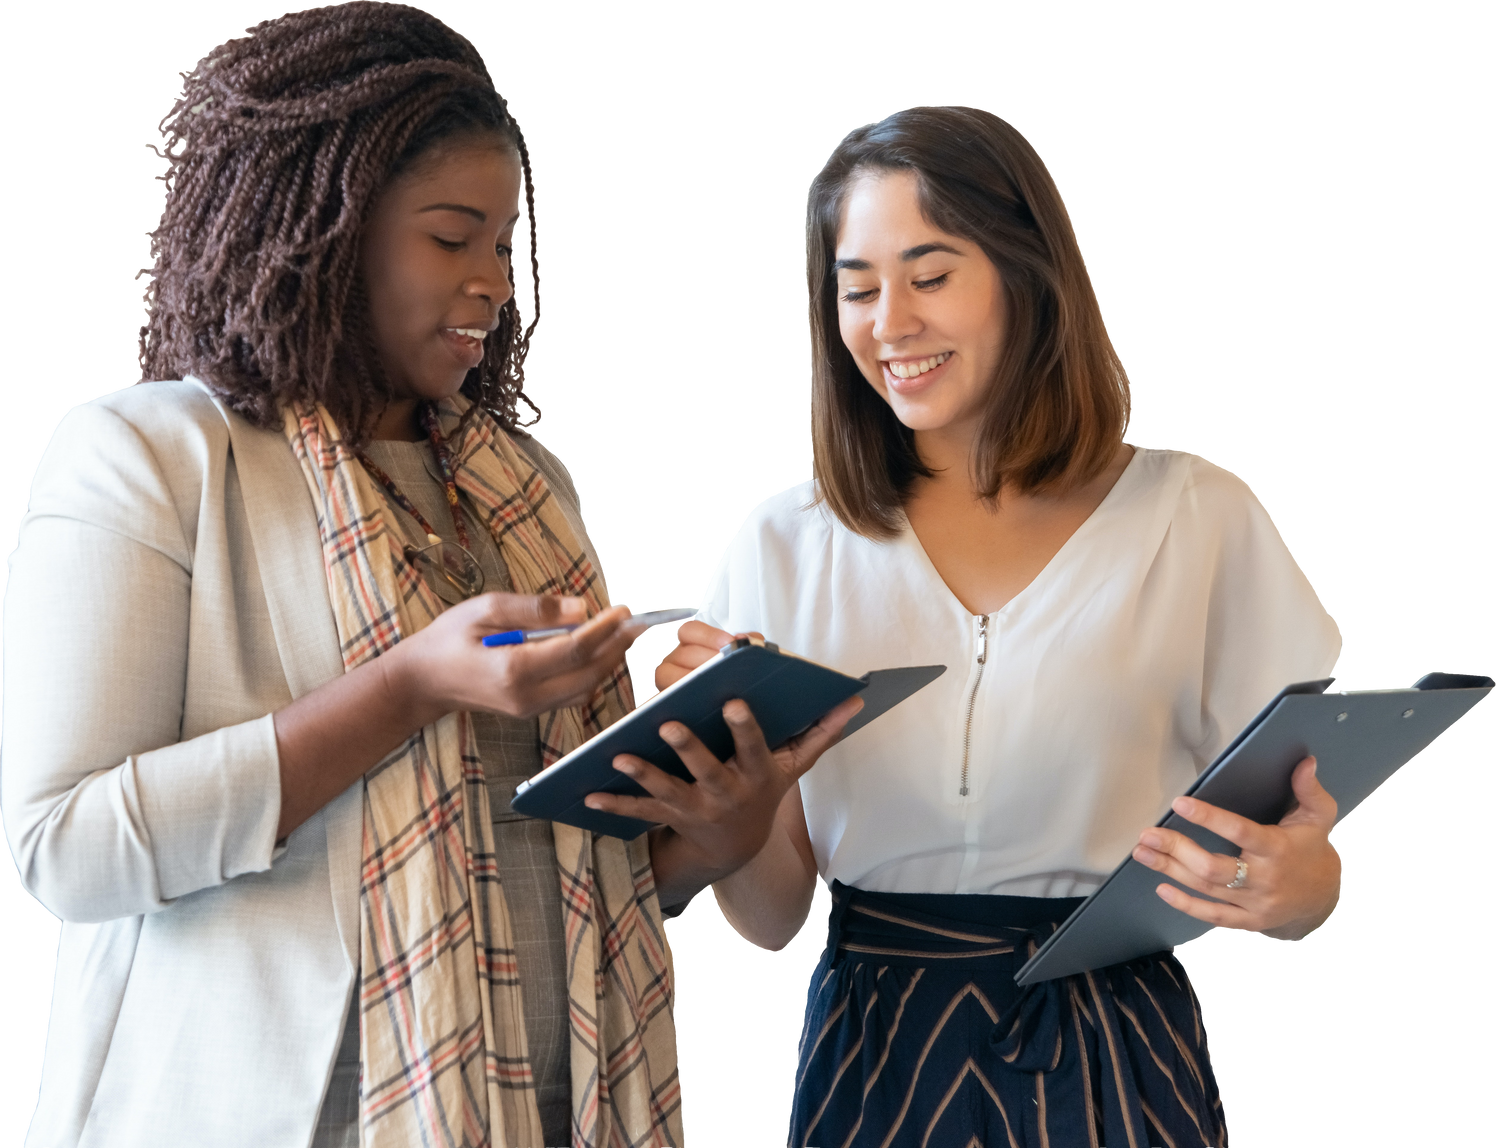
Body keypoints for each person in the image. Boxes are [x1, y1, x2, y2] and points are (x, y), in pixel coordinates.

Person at [0, 5, 859, 1146]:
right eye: (451, 238)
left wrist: (708, 832)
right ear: (323, 226)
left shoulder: (527, 485)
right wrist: (409, 686)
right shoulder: (145, 456)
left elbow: (569, 869)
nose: (493, 284)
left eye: (502, 244)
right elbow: (70, 843)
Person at [593, 105, 1346, 1146]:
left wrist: (1309, 890)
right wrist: (733, 803)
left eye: (930, 274)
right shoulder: (783, 540)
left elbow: (1289, 850)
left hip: (1114, 1046)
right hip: (873, 1050)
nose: (888, 322)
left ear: (1028, 273)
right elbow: (769, 923)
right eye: (856, 287)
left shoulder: (1196, 513)